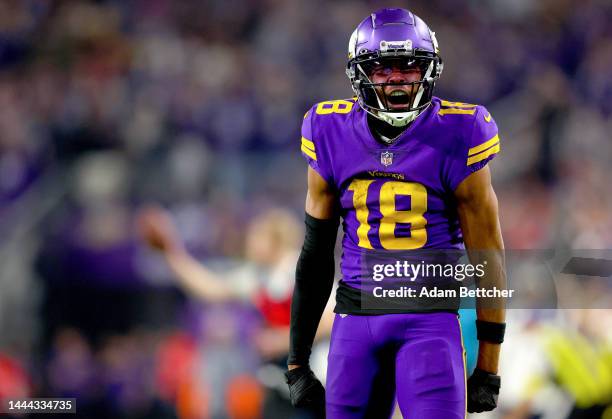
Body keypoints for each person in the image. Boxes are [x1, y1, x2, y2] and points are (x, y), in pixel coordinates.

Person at [285, 8, 507, 419]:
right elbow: (315, 253)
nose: (398, 79)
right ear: (359, 74)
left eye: (409, 67)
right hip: (355, 321)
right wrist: (297, 360)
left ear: (429, 69)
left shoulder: (461, 131)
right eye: (383, 68)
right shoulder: (327, 130)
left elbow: (488, 254)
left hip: (429, 322)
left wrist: (489, 365)